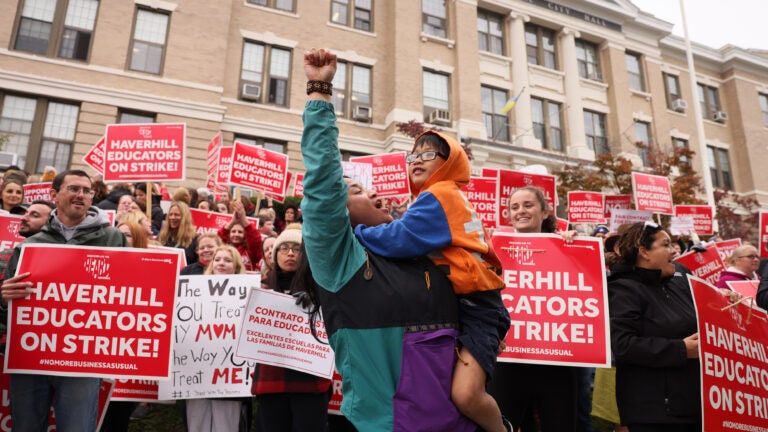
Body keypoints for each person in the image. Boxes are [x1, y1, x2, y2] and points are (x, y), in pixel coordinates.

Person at [298, 47, 476, 431]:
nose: (376, 194)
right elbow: (323, 183)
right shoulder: (341, 262)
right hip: (389, 424)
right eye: (358, 193)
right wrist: (319, 92)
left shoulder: (421, 250)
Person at [354, 129, 510, 432]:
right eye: (413, 156)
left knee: (466, 395)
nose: (417, 161)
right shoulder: (437, 197)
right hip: (462, 304)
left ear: (450, 163)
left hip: (477, 306)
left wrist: (356, 233)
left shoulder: (439, 195)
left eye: (428, 154)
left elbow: (399, 239)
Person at [1, 169, 126, 432]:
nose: (81, 195)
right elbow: (6, 306)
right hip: (31, 357)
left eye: (86, 190)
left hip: (81, 361)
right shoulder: (30, 245)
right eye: (74, 189)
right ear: (54, 195)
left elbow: (128, 294)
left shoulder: (113, 240)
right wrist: (3, 297)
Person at [487, 185, 579, 432]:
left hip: (555, 363)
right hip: (508, 359)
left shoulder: (566, 248)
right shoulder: (492, 248)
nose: (521, 211)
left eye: (528, 205)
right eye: (514, 207)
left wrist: (575, 247)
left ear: (545, 211)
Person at [609, 221, 701, 431]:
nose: (674, 251)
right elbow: (622, 345)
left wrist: (724, 302)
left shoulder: (680, 281)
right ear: (644, 252)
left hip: (692, 404)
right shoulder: (622, 290)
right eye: (666, 245)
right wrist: (680, 350)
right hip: (654, 413)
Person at [251, 226, 332, 431]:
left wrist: (318, 300)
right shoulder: (259, 288)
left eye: (296, 249)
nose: (290, 253)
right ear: (274, 255)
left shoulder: (322, 289)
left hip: (310, 381)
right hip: (271, 381)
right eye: (284, 248)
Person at [185, 245, 250, 432]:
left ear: (237, 267)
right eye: (217, 259)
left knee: (226, 427)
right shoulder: (190, 292)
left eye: (227, 260)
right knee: (197, 426)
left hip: (229, 377)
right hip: (195, 374)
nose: (221, 263)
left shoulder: (248, 294)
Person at [217, 199, 262, 272]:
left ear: (245, 236)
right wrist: (232, 222)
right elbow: (218, 239)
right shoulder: (223, 248)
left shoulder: (250, 252)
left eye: (240, 232)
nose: (236, 234)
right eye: (233, 231)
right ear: (229, 234)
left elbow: (255, 240)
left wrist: (243, 219)